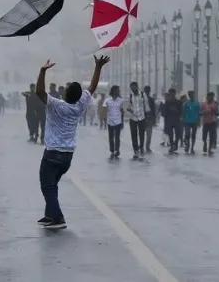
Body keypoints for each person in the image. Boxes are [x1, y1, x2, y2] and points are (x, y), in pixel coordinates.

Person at [35, 55, 109, 229]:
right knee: (52, 184)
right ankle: (49, 214)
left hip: (52, 153)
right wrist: (98, 67)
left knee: (47, 186)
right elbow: (92, 87)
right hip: (67, 156)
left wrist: (42, 71)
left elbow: (39, 92)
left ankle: (58, 217)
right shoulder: (80, 105)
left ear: (66, 93)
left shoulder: (57, 105)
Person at [127, 81, 149, 160]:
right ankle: (135, 149)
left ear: (137, 87)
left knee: (141, 133)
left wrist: (147, 118)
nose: (132, 89)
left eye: (134, 88)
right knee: (133, 134)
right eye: (131, 88)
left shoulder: (143, 95)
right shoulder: (130, 96)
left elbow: (146, 107)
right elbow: (128, 106)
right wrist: (129, 109)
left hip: (142, 117)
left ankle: (141, 146)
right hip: (133, 118)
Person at [160, 88, 183, 154]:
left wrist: (177, 111)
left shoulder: (179, 102)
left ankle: (175, 144)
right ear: (169, 94)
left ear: (175, 94)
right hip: (169, 120)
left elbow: (181, 112)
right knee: (170, 134)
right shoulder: (167, 102)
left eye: (173, 94)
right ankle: (172, 145)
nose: (172, 95)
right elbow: (164, 113)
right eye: (171, 94)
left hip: (176, 120)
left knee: (178, 134)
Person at [103, 85, 124, 159]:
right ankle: (112, 150)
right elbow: (104, 109)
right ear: (113, 91)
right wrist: (105, 118)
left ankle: (117, 150)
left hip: (118, 121)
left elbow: (122, 111)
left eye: (119, 90)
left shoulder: (120, 100)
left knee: (117, 137)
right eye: (117, 90)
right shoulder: (107, 100)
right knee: (111, 137)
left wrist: (122, 122)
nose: (118, 91)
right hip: (110, 121)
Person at [143, 85, 156, 153]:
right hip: (142, 119)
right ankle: (144, 146)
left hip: (149, 118)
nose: (147, 92)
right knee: (143, 134)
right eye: (146, 91)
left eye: (148, 91)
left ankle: (147, 146)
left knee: (149, 134)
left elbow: (153, 110)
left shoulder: (151, 99)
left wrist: (154, 119)